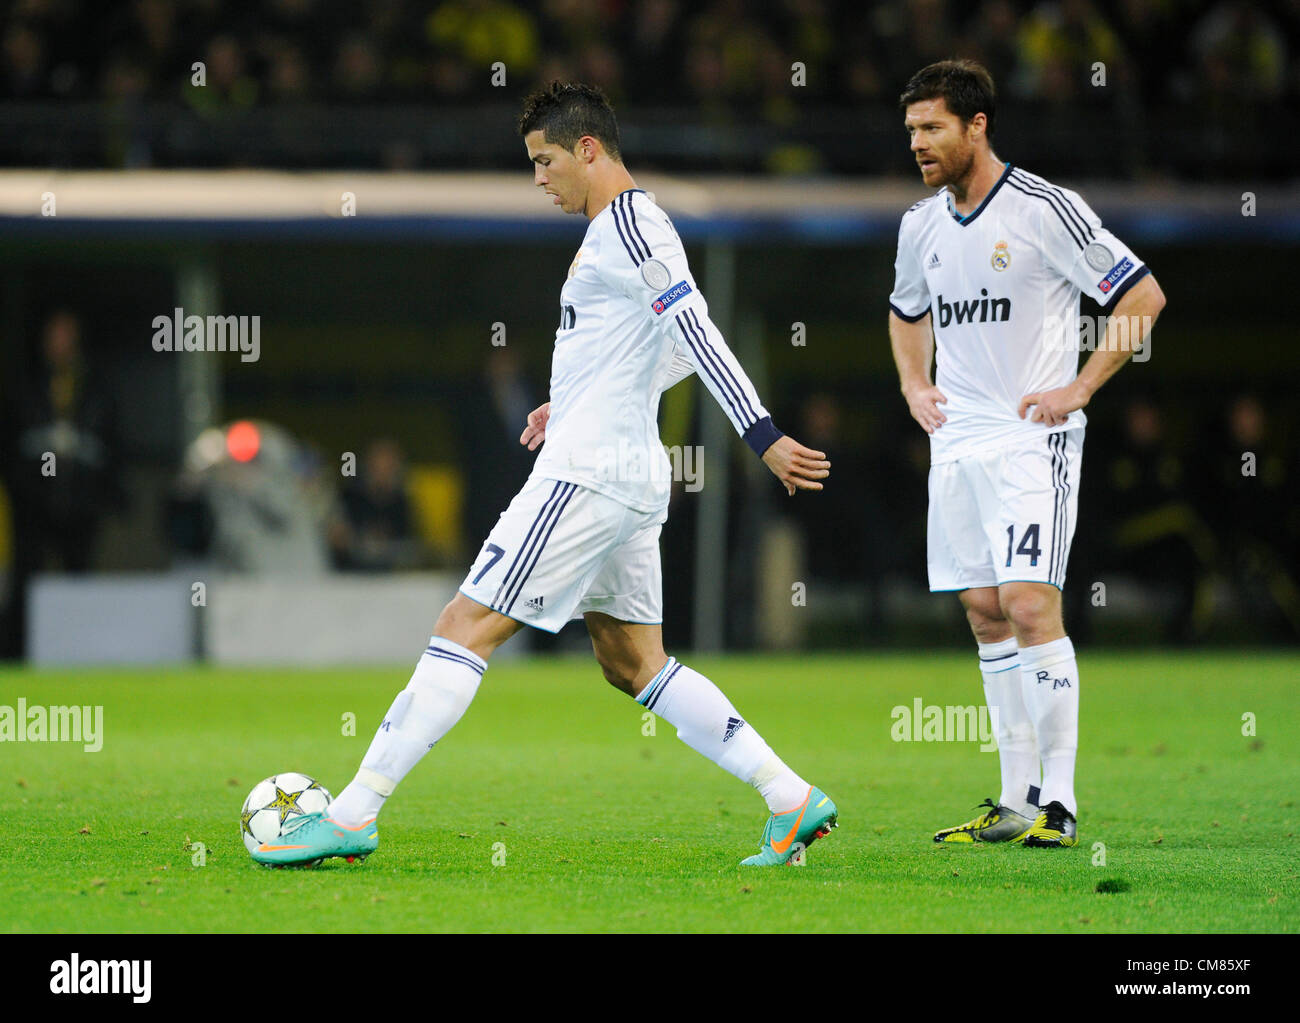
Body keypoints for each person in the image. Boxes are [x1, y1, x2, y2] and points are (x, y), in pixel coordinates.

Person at [253, 82, 837, 868]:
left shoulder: (630, 223)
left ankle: (353, 813)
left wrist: (760, 434)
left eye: (545, 160)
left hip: (589, 475)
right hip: (624, 471)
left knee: (463, 625)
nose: (539, 178)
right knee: (634, 664)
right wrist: (569, 401)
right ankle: (791, 798)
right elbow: (655, 348)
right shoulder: (623, 232)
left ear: (588, 149)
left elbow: (696, 330)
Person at [887, 60, 1166, 848]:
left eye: (932, 127)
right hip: (960, 440)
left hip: (1031, 438)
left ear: (978, 126)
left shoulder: (1046, 209)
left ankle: (1062, 803)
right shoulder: (921, 224)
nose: (918, 143)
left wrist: (1080, 385)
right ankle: (1013, 800)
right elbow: (907, 310)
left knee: (1029, 602)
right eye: (911, 129)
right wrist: (914, 385)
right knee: (983, 610)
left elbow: (1141, 296)